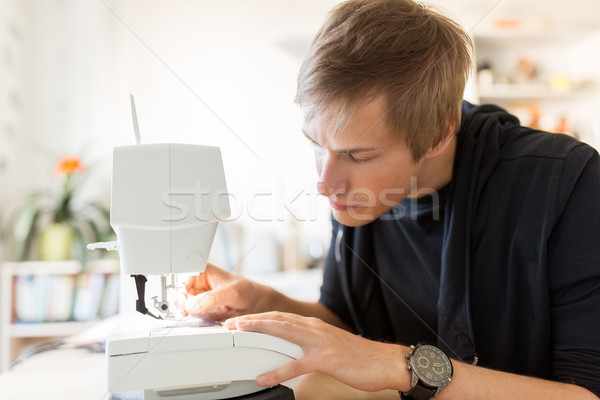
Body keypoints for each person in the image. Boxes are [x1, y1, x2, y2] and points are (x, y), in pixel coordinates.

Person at [182, 0, 600, 398]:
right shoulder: (360, 197)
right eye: (316, 145)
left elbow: (588, 393)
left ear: (438, 133)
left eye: (358, 155)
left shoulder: (564, 184)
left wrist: (396, 365)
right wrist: (266, 303)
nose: (325, 184)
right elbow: (344, 321)